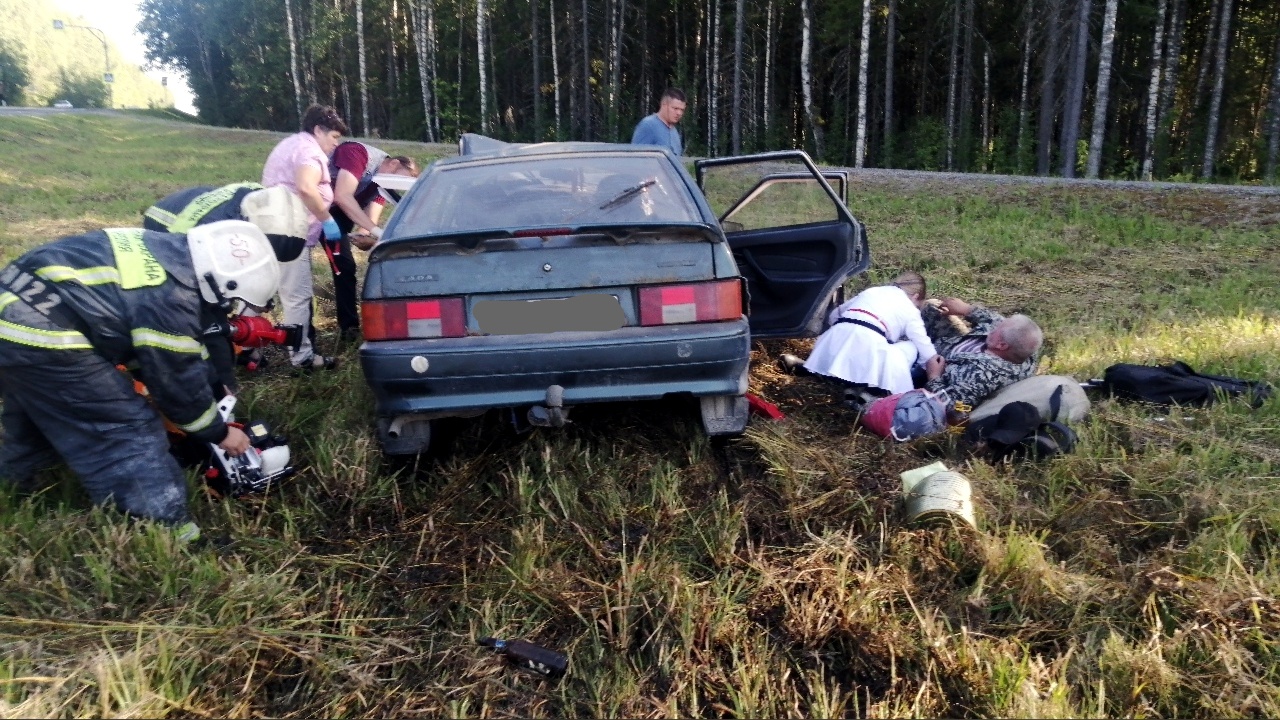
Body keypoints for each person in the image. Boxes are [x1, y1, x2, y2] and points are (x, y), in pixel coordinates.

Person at [0, 220, 280, 539]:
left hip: (12, 303)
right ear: (221, 285)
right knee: (127, 430)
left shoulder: (169, 251)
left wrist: (214, 387)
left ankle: (13, 488)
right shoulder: (173, 297)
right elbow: (175, 382)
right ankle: (170, 535)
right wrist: (217, 431)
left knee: (39, 415)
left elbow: (168, 350)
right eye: (228, 303)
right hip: (43, 333)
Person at [143, 183, 312, 391]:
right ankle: (221, 386)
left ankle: (233, 355)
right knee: (203, 314)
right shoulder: (207, 233)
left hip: (193, 210)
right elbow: (211, 282)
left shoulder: (261, 203)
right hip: (164, 227)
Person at [261, 103, 349, 370]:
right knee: (296, 296)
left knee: (260, 292)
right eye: (334, 137)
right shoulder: (309, 151)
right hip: (289, 232)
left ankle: (245, 349)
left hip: (271, 227)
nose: (336, 144)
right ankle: (303, 358)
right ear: (318, 130)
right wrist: (327, 220)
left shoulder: (292, 144)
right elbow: (306, 188)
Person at [781, 272, 941, 396]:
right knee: (911, 347)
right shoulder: (910, 308)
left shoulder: (873, 291)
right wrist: (931, 371)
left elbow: (834, 315)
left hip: (834, 338)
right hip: (870, 345)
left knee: (867, 342)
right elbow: (926, 350)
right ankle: (880, 389)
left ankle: (816, 370)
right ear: (916, 296)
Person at [327, 142, 419, 341]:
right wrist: (377, 232)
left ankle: (348, 327)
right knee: (341, 264)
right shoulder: (357, 154)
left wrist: (367, 236)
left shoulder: (382, 183)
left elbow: (369, 222)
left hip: (338, 211)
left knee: (345, 266)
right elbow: (342, 196)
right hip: (317, 205)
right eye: (399, 179)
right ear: (394, 164)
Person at [920, 297, 1043, 408]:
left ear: (1002, 345)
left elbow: (951, 406)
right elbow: (994, 319)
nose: (994, 327)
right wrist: (967, 309)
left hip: (936, 361)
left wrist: (933, 377)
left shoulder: (980, 377)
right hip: (956, 341)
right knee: (933, 307)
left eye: (996, 330)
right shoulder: (1025, 346)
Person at [631, 88, 686, 156]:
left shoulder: (674, 132)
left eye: (682, 110)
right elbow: (636, 157)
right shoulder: (648, 125)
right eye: (675, 108)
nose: (679, 113)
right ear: (664, 105)